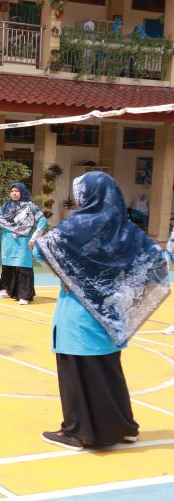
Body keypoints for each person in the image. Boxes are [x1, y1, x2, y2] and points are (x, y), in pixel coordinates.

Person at [31, 172, 169, 450]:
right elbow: (157, 263)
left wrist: (67, 269)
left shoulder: (80, 225)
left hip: (79, 315)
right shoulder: (128, 230)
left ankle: (78, 432)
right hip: (112, 314)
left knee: (77, 374)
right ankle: (125, 427)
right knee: (109, 373)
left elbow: (41, 251)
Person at [0, 182, 46, 305]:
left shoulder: (31, 207)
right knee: (7, 266)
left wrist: (34, 238)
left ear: (22, 192)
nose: (14, 193)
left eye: (17, 191)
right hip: (7, 241)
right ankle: (6, 290)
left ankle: (24, 295)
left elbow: (42, 221)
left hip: (23, 242)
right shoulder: (5, 207)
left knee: (23, 267)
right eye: (12, 191)